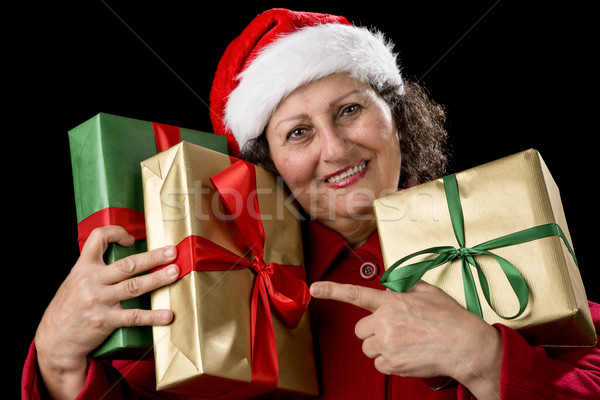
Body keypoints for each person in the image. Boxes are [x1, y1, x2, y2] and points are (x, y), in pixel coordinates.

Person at [23, 8, 600, 400]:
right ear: (266, 165)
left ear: (396, 115)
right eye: (298, 132)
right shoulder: (216, 294)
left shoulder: (498, 236)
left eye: (350, 109)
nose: (336, 147)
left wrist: (484, 359)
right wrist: (57, 360)